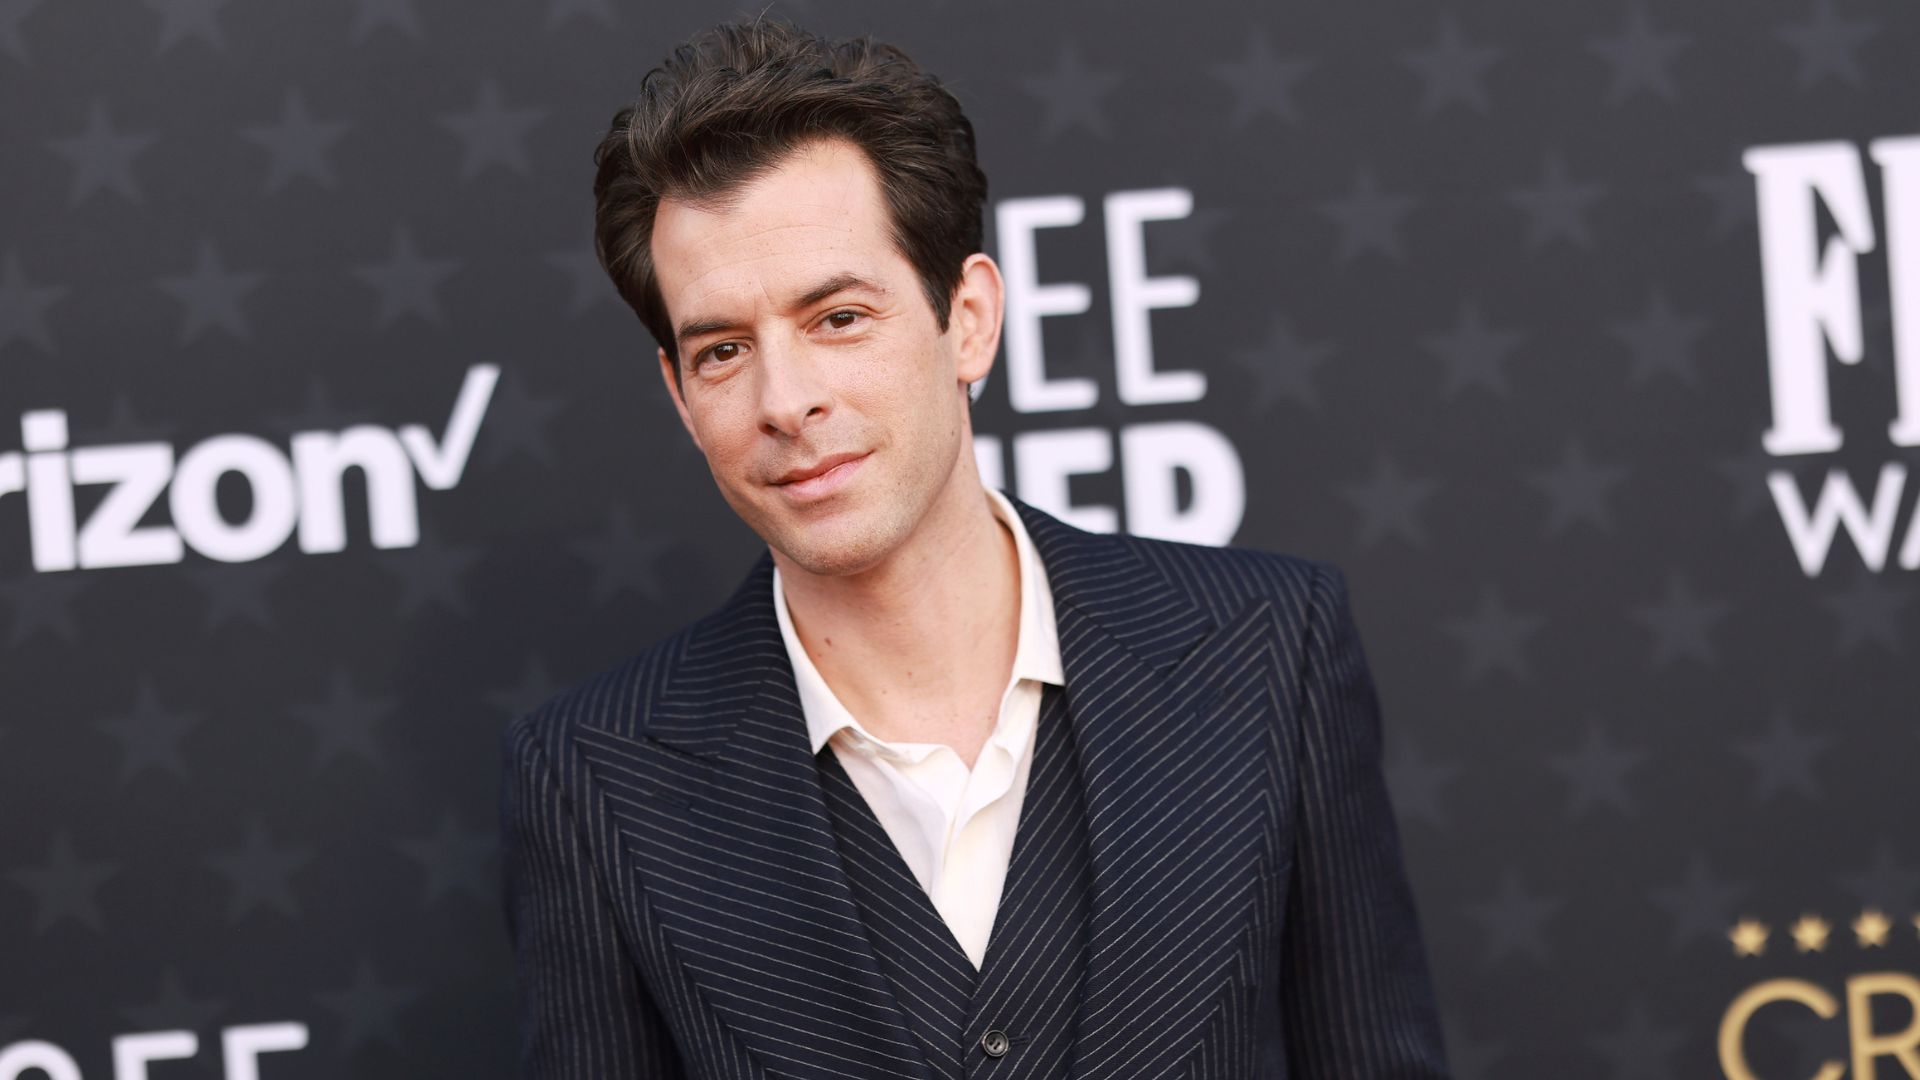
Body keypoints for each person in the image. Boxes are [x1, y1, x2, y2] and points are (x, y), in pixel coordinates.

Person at [500, 16, 1450, 1079]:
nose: (788, 400)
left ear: (970, 320)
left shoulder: (1273, 651)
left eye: (838, 319)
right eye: (724, 350)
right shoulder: (590, 779)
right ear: (680, 395)